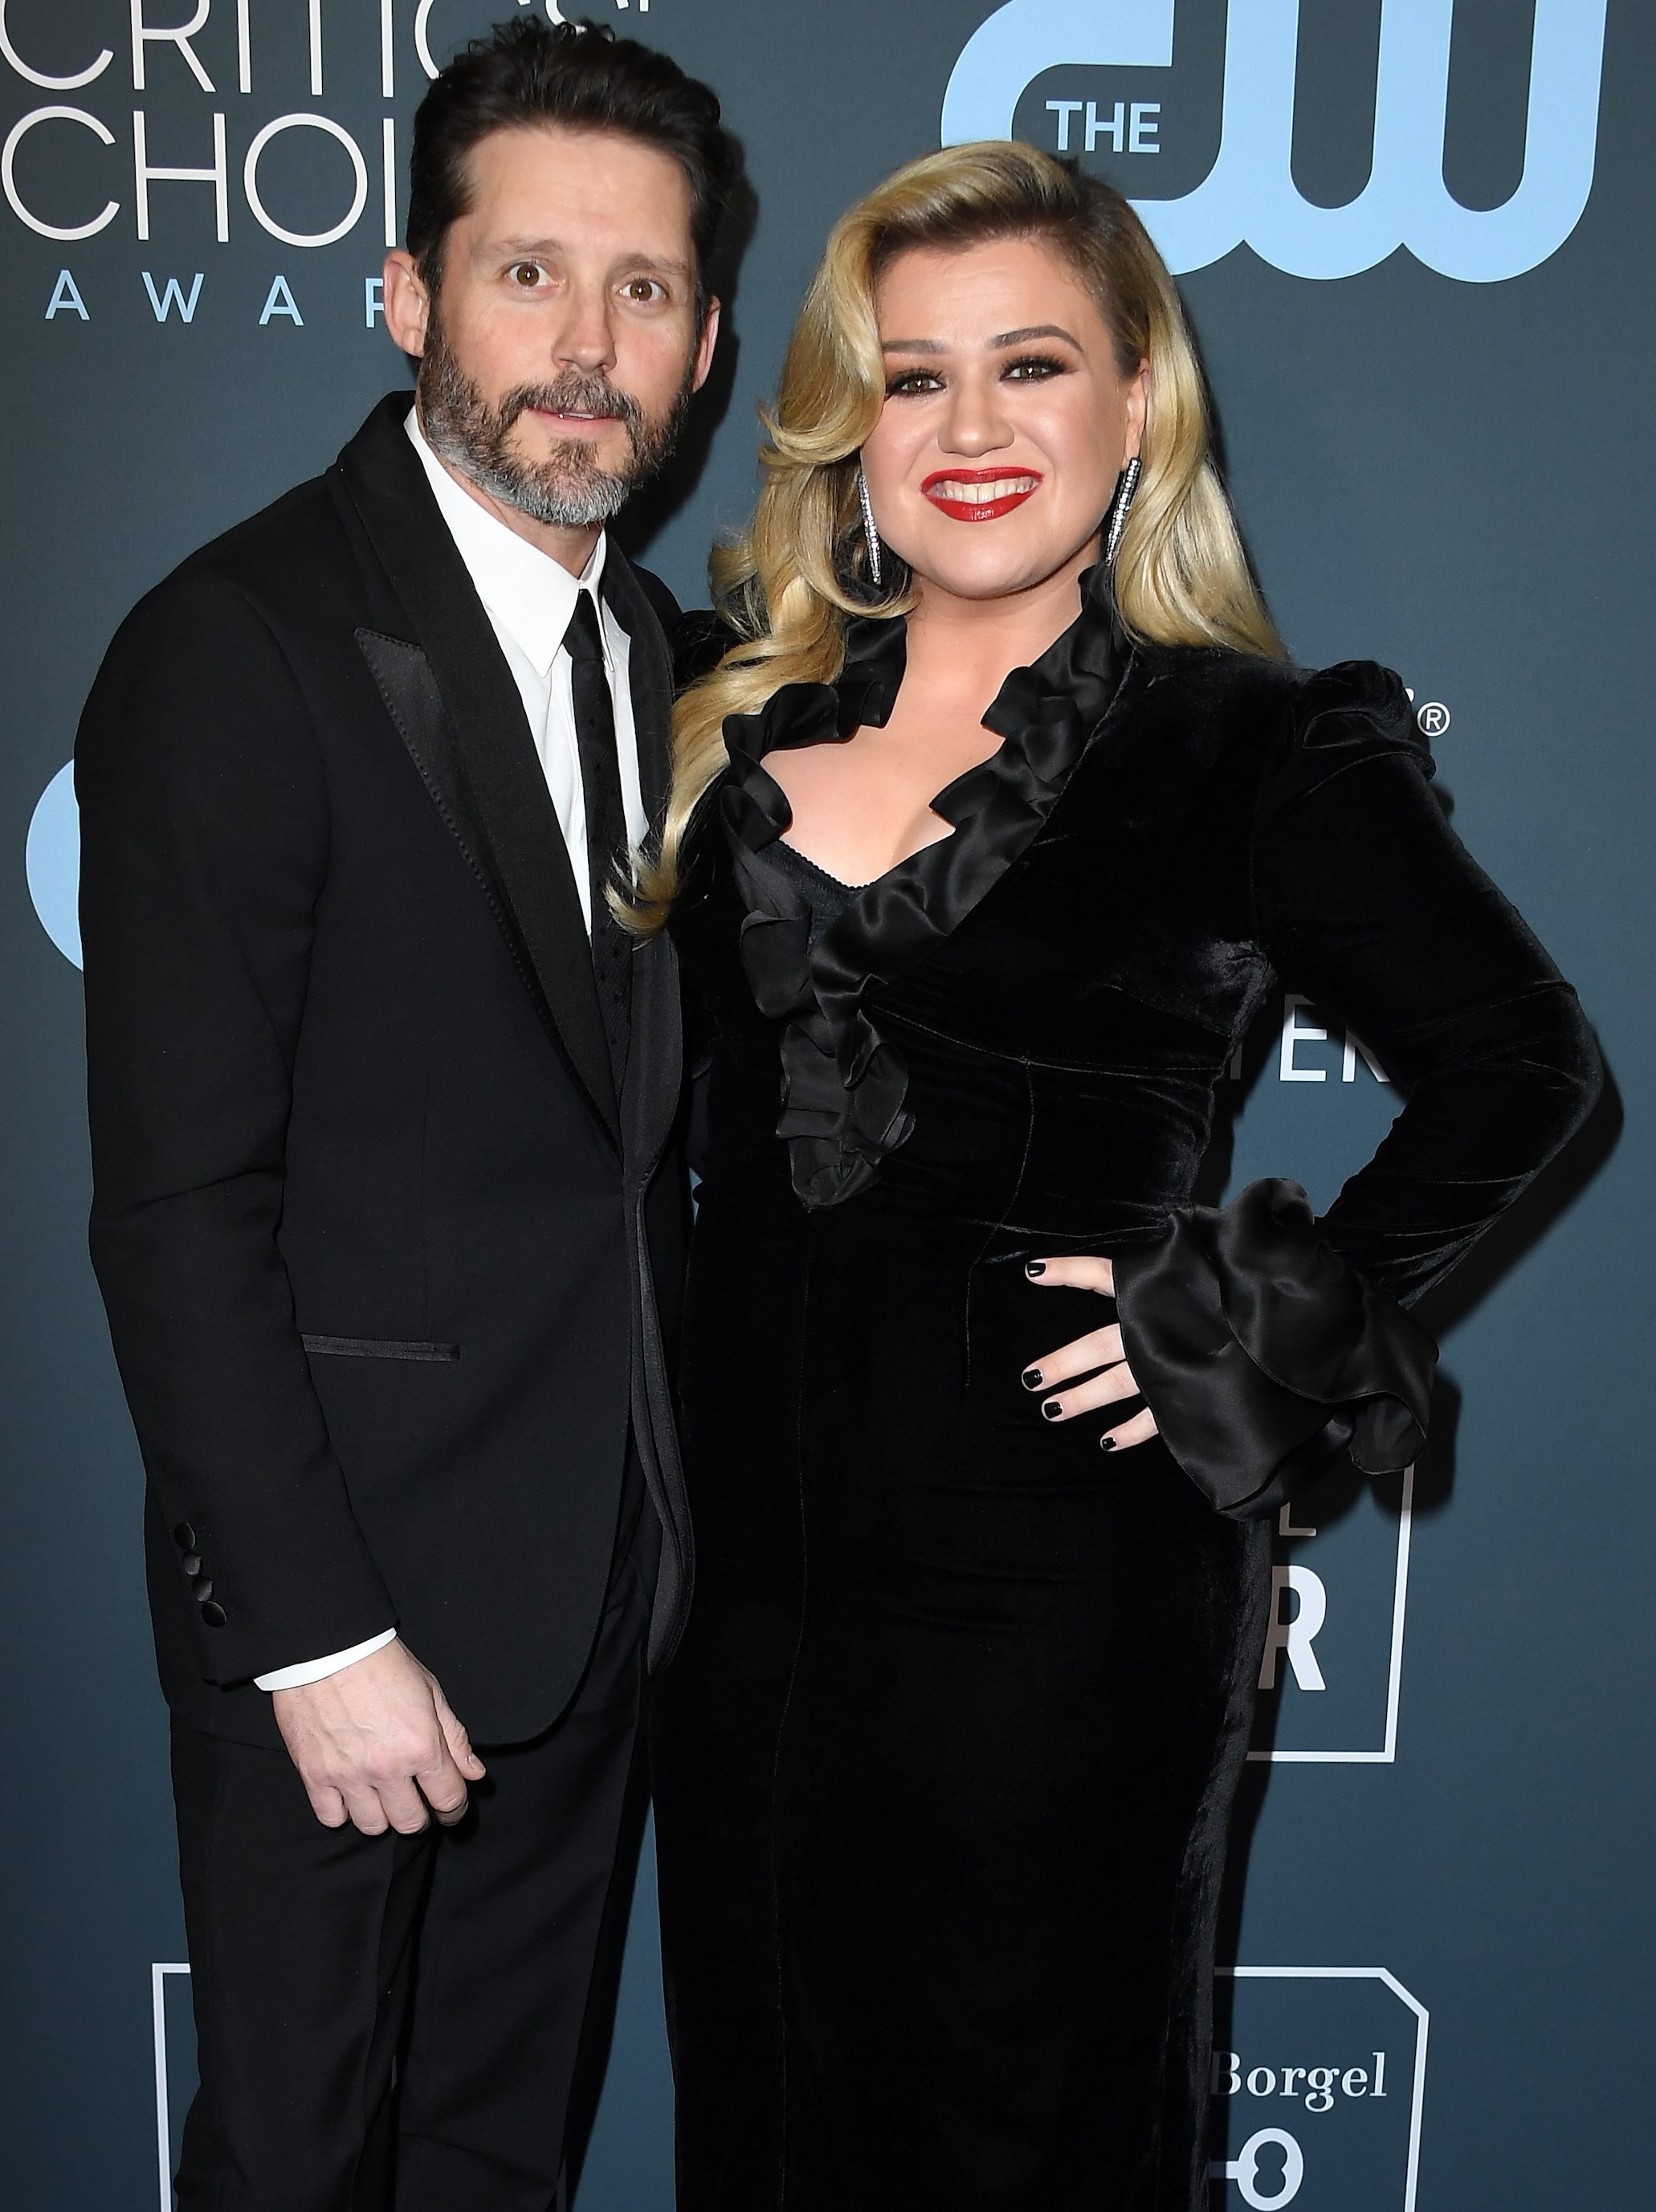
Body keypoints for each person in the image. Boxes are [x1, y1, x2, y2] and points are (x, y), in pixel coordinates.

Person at [643, 144, 1603, 2210]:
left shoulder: (1246, 745)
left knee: (1037, 2137)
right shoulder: (730, 738)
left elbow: (1519, 1065)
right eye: (913, 377)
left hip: (1060, 1610)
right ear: (850, 426)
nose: (968, 428)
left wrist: (1252, 1320)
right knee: (768, 2129)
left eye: (1030, 364)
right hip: (743, 1622)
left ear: (1134, 401)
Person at [75, 19, 734, 2209]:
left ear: (704, 343)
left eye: (642, 288)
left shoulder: (664, 658)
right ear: (406, 294)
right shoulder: (239, 641)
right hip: (347, 1622)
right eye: (527, 273)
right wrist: (313, 1635)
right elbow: (177, 1207)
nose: (586, 346)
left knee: (493, 2164)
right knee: (299, 2166)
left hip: (601, 1593)